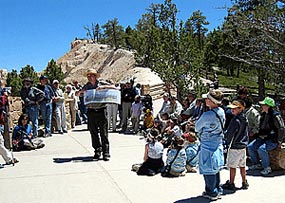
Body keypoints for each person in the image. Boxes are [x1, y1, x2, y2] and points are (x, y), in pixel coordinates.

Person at [81, 68, 116, 161]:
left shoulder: (101, 83)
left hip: (101, 110)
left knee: (104, 132)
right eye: (88, 75)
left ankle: (106, 152)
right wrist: (80, 92)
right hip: (91, 111)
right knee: (93, 132)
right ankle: (97, 150)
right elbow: (77, 94)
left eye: (91, 75)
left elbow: (114, 87)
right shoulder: (86, 86)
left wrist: (104, 88)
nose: (89, 77)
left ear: (95, 76)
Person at [195, 89, 225, 201]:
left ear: (212, 101)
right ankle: (217, 189)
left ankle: (211, 192)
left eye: (207, 99)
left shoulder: (207, 115)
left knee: (208, 168)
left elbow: (197, 127)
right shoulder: (221, 111)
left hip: (207, 143)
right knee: (215, 167)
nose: (205, 100)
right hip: (217, 142)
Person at [248, 97, 285, 175]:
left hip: (273, 139)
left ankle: (267, 167)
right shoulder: (264, 115)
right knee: (250, 147)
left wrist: (279, 141)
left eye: (264, 105)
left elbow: (281, 128)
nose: (262, 106)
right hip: (263, 138)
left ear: (268, 106)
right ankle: (257, 164)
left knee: (262, 149)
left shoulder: (275, 116)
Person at [221, 100, 249, 191]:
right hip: (243, 145)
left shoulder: (235, 120)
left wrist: (226, 142)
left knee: (232, 166)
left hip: (235, 146)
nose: (232, 110)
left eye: (234, 108)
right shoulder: (244, 118)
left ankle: (231, 183)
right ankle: (244, 182)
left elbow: (230, 133)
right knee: (242, 165)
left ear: (240, 109)